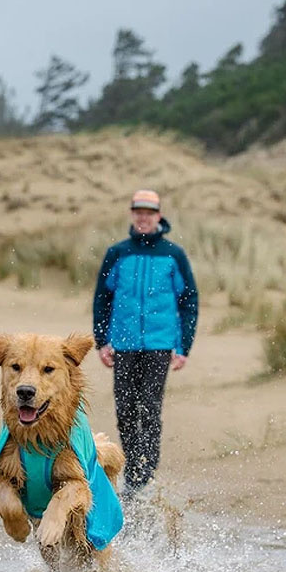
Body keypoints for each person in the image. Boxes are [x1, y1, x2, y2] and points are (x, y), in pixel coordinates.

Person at [92, 189, 199, 499]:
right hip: (123, 344)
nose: (143, 217)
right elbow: (103, 298)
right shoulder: (117, 253)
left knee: (149, 407)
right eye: (138, 211)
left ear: (158, 216)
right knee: (125, 409)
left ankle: (145, 472)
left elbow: (188, 300)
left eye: (149, 212)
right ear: (132, 214)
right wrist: (102, 341)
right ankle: (134, 469)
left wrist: (183, 346)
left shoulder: (173, 255)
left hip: (159, 343)